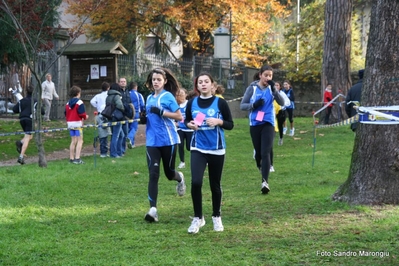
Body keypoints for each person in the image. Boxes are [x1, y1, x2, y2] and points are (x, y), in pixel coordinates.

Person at [185, 72, 234, 234]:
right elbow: (187, 120)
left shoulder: (220, 103)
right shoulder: (192, 103)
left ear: (212, 85)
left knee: (215, 184)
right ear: (197, 86)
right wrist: (190, 125)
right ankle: (198, 218)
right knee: (196, 182)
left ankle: (216, 216)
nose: (204, 84)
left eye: (207, 81)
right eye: (200, 82)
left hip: (217, 149)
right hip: (198, 148)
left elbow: (230, 124)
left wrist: (219, 121)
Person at [143, 67, 186, 223]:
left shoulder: (167, 96)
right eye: (154, 79)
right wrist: (143, 118)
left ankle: (180, 178)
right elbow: (149, 116)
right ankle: (153, 210)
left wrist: (162, 112)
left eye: (159, 79)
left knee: (169, 174)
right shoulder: (148, 98)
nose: (156, 82)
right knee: (153, 174)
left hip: (168, 141)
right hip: (152, 141)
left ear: (165, 81)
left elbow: (179, 116)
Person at [240, 65, 284, 194]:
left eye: (270, 76)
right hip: (255, 123)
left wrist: (274, 91)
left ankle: (265, 181)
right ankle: (261, 166)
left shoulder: (272, 89)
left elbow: (281, 103)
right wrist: (253, 105)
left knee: (266, 152)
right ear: (260, 75)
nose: (268, 78)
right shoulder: (252, 88)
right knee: (259, 154)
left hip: (268, 123)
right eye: (266, 75)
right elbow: (242, 105)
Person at [13, 85, 45, 165]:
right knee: (28, 137)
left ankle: (20, 142)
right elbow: (42, 111)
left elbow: (14, 110)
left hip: (22, 119)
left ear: (26, 92)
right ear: (34, 92)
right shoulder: (35, 101)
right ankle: (21, 157)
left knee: (30, 136)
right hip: (30, 120)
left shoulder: (22, 100)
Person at [65, 86, 89, 164]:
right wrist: (86, 117)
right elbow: (82, 113)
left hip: (70, 123)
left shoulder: (68, 103)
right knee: (80, 140)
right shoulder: (79, 102)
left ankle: (71, 158)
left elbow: (65, 113)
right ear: (78, 93)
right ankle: (77, 158)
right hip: (77, 124)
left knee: (73, 141)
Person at [90, 82, 111, 157]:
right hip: (107, 115)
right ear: (108, 88)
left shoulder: (98, 96)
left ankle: (104, 151)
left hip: (99, 114)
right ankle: (104, 152)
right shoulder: (109, 95)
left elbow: (91, 101)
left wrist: (97, 106)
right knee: (106, 134)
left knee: (102, 133)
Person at [176, 88, 193, 169]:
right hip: (180, 129)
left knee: (189, 147)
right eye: (179, 95)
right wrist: (175, 123)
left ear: (186, 95)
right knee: (180, 145)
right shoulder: (176, 106)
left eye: (182, 94)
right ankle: (182, 162)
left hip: (189, 129)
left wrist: (195, 123)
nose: (180, 96)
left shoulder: (189, 104)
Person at [106, 83, 125, 158]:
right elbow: (119, 105)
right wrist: (123, 109)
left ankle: (119, 152)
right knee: (116, 135)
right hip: (117, 117)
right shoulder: (117, 96)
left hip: (110, 117)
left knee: (121, 135)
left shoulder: (108, 96)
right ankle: (114, 154)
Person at [118, 77, 133, 155]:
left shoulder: (128, 92)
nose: (123, 83)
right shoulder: (118, 92)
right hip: (119, 116)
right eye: (121, 81)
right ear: (119, 83)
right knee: (119, 134)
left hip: (126, 116)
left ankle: (123, 150)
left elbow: (130, 103)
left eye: (124, 81)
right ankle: (118, 150)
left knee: (125, 134)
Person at [127, 81, 145, 148]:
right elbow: (142, 104)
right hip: (136, 112)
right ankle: (129, 137)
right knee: (134, 128)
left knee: (129, 128)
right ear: (136, 87)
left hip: (128, 113)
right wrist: (142, 112)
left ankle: (132, 143)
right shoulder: (138, 94)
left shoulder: (127, 93)